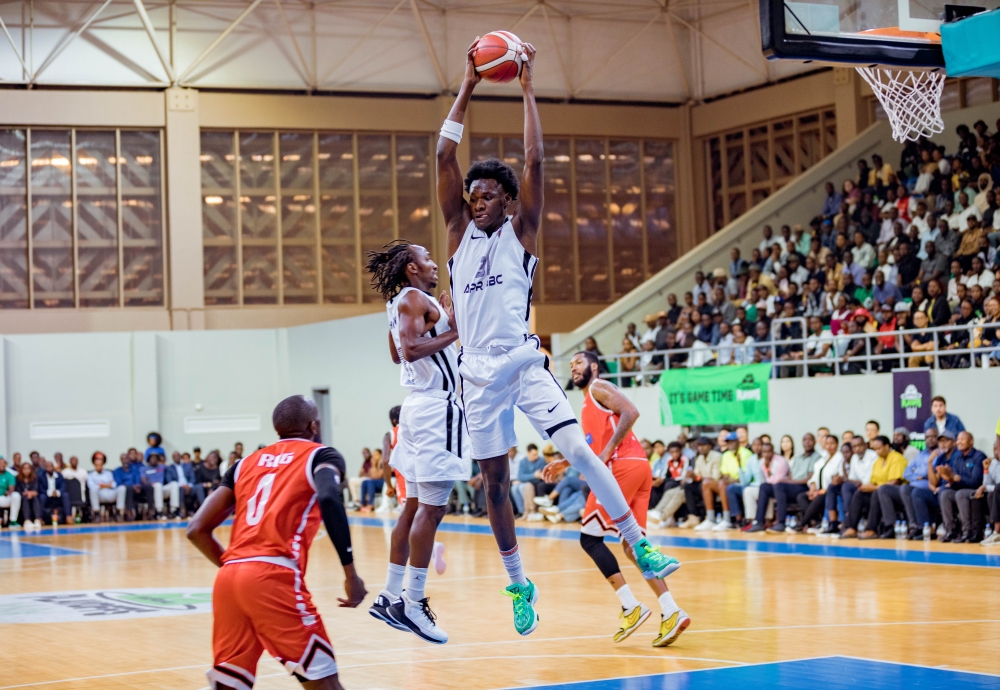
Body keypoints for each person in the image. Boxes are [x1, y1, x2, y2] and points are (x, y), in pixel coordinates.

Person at [436, 36, 678, 635]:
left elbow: (536, 160)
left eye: (488, 195)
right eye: (473, 195)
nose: (477, 201)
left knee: (579, 451)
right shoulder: (457, 233)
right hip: (475, 371)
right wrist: (468, 84)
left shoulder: (521, 232)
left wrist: (526, 86)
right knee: (494, 483)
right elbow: (442, 153)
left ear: (508, 201)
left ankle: (638, 542)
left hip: (522, 362)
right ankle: (519, 583)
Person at [187, 395, 366, 690]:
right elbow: (329, 497)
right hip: (273, 575)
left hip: (229, 578)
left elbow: (196, 529)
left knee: (230, 684)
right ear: (313, 425)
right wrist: (350, 573)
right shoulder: (320, 455)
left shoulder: (243, 464)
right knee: (325, 684)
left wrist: (241, 573)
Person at [545, 350, 689, 647]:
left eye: (579, 362)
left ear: (594, 366)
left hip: (621, 467)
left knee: (590, 539)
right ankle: (672, 610)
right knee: (633, 546)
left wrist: (608, 452)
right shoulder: (587, 403)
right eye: (571, 365)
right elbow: (589, 446)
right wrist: (564, 462)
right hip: (638, 467)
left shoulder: (598, 387)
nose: (574, 368)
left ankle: (630, 606)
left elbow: (631, 412)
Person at [365, 240, 466, 644]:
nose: (434, 264)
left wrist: (442, 322)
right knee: (432, 508)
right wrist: (455, 330)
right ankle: (413, 600)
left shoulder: (399, 302)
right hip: (436, 408)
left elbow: (397, 354)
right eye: (426, 258)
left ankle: (390, 594)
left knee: (414, 505)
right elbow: (408, 350)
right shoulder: (412, 298)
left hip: (416, 407)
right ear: (411, 267)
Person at [936, 430, 987, 542]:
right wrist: (947, 476)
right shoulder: (958, 457)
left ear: (971, 441)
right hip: (961, 490)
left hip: (977, 491)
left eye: (962, 439)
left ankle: (967, 531)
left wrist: (954, 477)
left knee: (960, 494)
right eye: (958, 439)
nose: (959, 442)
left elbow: (975, 482)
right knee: (945, 493)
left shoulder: (979, 456)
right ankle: (951, 530)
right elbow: (954, 478)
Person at [859, 438, 909, 539]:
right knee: (860, 493)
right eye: (875, 449)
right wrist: (866, 487)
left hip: (899, 492)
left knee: (881, 491)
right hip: (881, 491)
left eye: (879, 448)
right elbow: (873, 481)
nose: (877, 452)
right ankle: (850, 526)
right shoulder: (878, 461)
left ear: (887, 446)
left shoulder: (897, 458)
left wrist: (874, 487)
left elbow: (895, 482)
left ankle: (890, 526)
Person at [86, 452, 118, 521]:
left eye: (101, 460)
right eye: (97, 459)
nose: (99, 462)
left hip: (110, 494)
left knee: (122, 488)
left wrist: (102, 485)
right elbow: (91, 486)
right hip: (99, 495)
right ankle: (96, 514)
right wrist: (107, 485)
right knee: (93, 490)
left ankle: (118, 513)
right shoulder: (90, 475)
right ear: (94, 462)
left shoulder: (108, 473)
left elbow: (114, 484)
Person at [15, 461, 44, 530]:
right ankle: (27, 520)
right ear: (21, 470)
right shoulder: (17, 478)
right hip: (22, 497)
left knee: (35, 498)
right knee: (25, 498)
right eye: (24, 469)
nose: (26, 470)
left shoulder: (35, 478)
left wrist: (30, 493)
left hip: (32, 496)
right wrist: (27, 493)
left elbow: (36, 490)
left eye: (28, 468)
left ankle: (37, 519)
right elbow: (18, 490)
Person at [0, 457, 21, 529]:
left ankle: (12, 521)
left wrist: (8, 492)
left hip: (3, 498)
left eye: (3, 463)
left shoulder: (9, 475)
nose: (2, 465)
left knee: (16, 495)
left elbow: (11, 488)